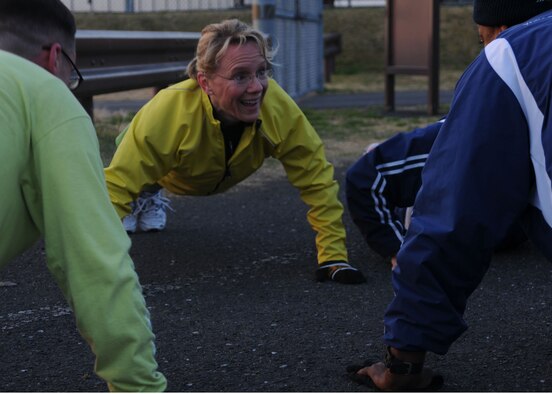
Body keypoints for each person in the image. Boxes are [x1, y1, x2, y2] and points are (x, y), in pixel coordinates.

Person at [348, 0, 552, 390]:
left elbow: (453, 216)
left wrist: (404, 362)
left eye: (482, 40)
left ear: (501, 30)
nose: (485, 49)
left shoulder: (507, 56)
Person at [104, 19, 366, 284]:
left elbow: (316, 178)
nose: (256, 87)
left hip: (217, 171)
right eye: (240, 76)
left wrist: (334, 256)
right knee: (136, 171)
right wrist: (99, 265)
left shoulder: (276, 106)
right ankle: (146, 193)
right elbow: (115, 188)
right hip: (170, 172)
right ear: (205, 83)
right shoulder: (169, 111)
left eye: (262, 72)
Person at [0, 0, 166, 391]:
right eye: (71, 75)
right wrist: (138, 384)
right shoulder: (42, 90)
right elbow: (94, 263)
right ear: (56, 57)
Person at [345, 119, 527, 269]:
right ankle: (414, 204)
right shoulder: (460, 137)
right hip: (448, 182)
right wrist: (396, 249)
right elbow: (364, 177)